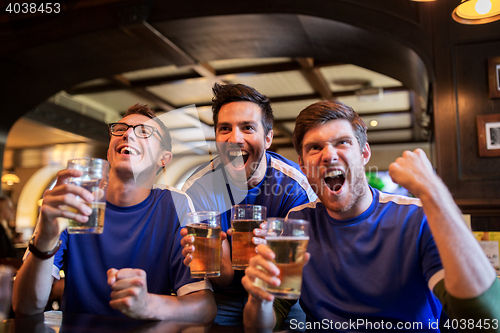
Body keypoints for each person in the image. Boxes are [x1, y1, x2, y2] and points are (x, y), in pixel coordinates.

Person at [242, 100, 500, 331]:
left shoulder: (416, 217)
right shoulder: (297, 224)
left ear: (364, 153)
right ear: (303, 165)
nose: (329, 155)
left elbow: (487, 321)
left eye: (342, 142)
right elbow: (260, 327)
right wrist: (258, 298)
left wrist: (434, 192)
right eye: (315, 148)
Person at [12, 104, 216, 322]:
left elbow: (204, 307)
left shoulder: (175, 203)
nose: (127, 133)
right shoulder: (76, 199)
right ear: (110, 152)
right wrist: (44, 236)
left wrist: (149, 304)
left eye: (144, 131)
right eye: (120, 129)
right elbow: (25, 306)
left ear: (163, 159)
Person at [180, 83, 317, 325]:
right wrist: (214, 258)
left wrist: (273, 256)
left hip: (277, 293)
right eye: (225, 128)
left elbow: (290, 276)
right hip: (224, 295)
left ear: (268, 137)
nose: (235, 138)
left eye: (247, 128)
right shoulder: (197, 188)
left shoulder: (295, 186)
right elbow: (222, 276)